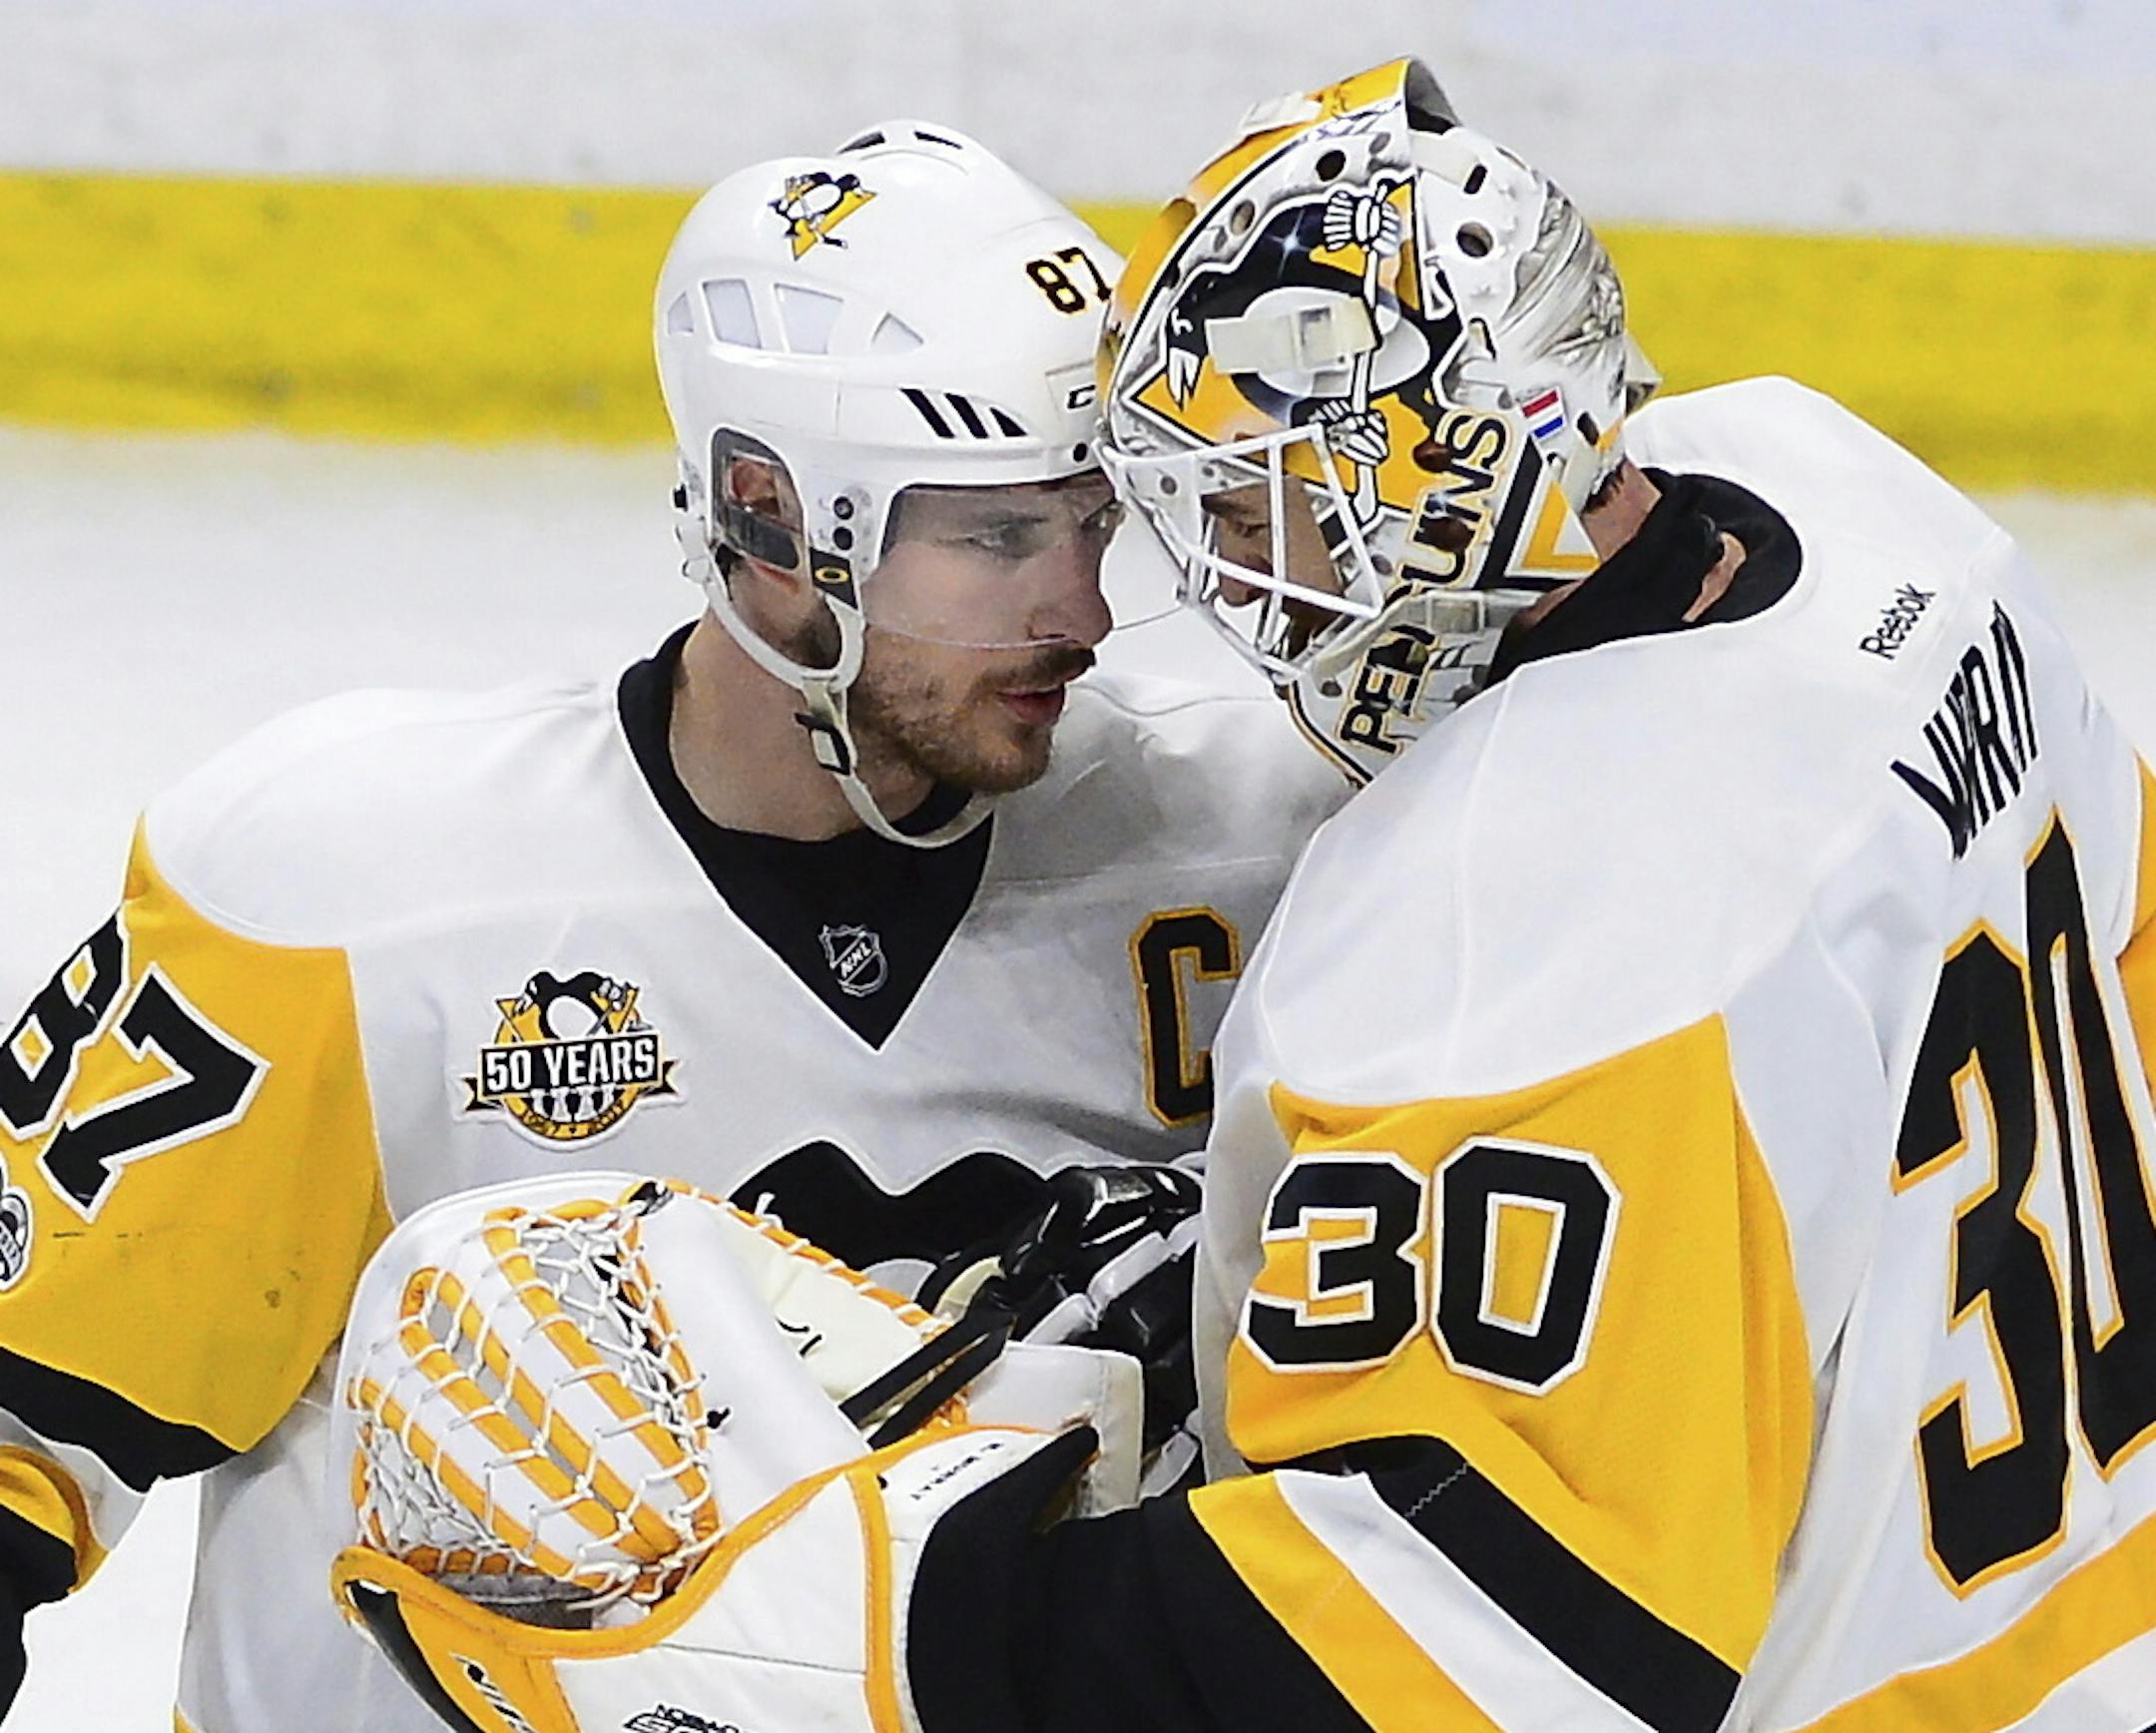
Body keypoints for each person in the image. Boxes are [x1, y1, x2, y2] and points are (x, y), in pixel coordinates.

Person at [337, 58, 2156, 1731]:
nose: (1209, 595)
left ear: (1434, 490)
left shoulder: (1505, 923)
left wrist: (911, 1625)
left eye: (1261, 515)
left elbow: (1480, 1641)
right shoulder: (1852, 494)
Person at [0, 122, 1343, 1731]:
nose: (1083, 609)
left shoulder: (1248, 851)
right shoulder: (357, 898)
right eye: (995, 536)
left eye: (1091, 521)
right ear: (772, 522)